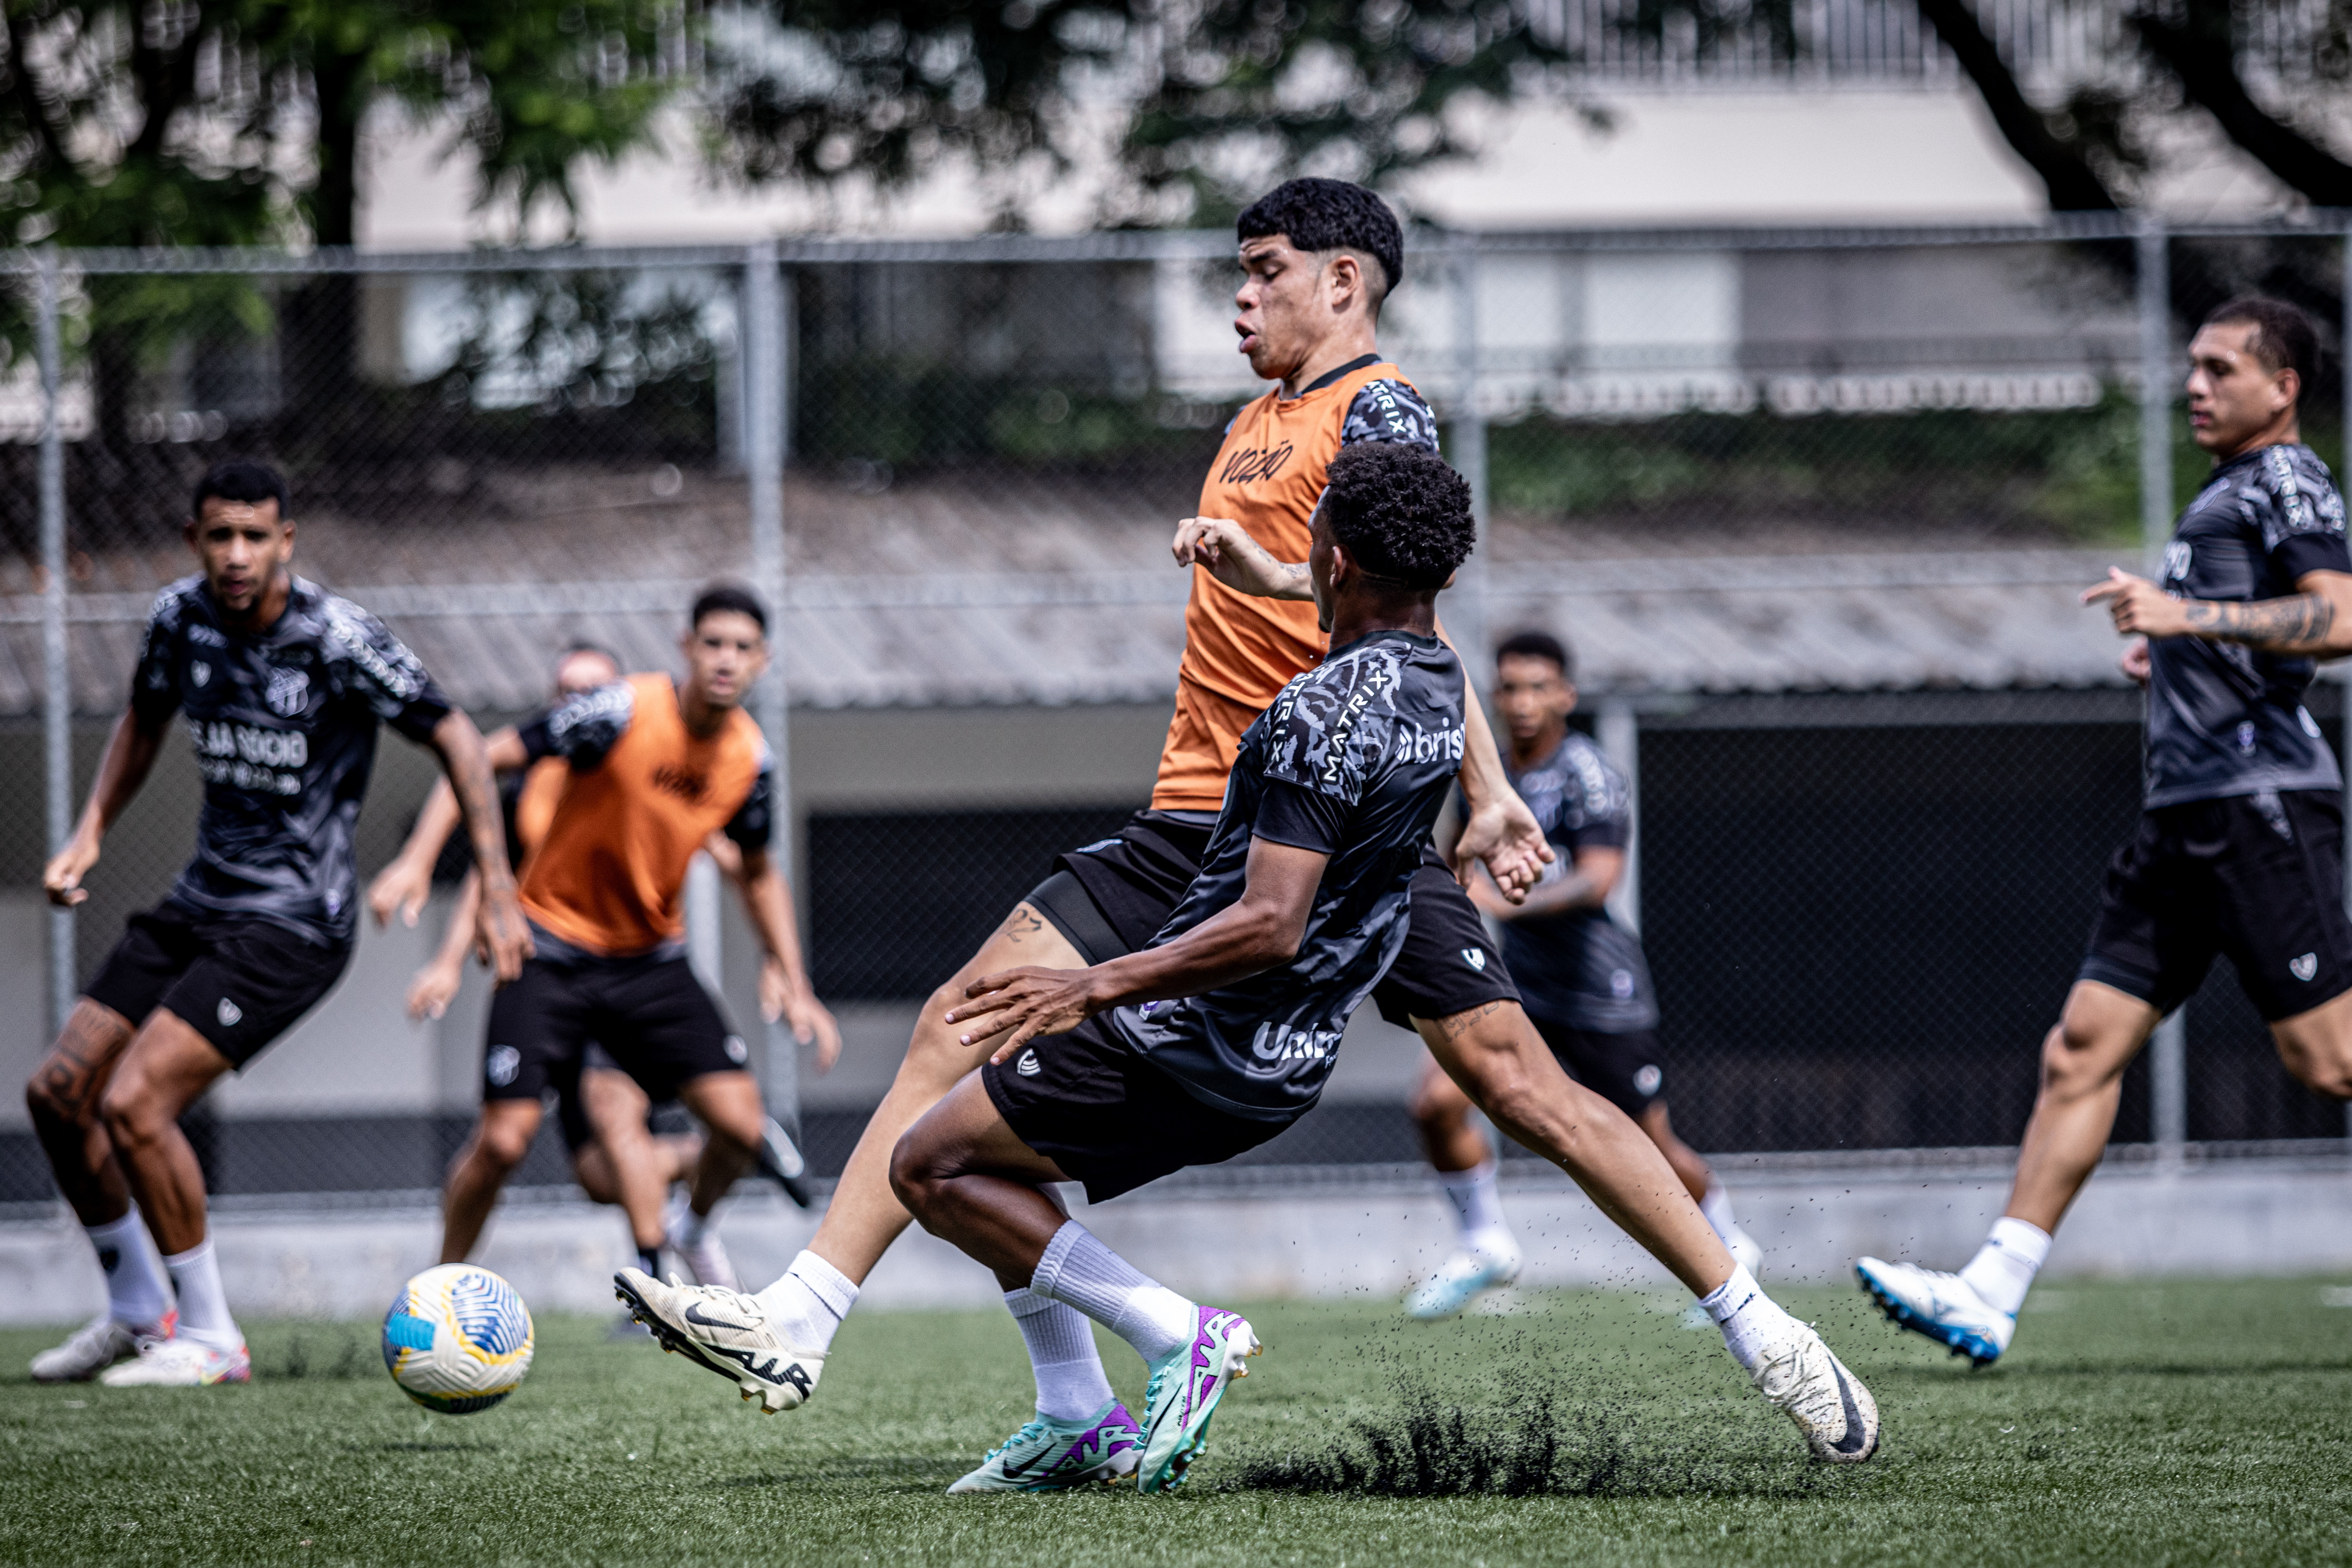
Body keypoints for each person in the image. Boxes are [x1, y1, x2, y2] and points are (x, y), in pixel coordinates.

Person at [619, 445, 1880, 1488]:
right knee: (981, 1087)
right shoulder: (1440, 688)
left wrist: (1094, 982)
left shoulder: (1311, 706)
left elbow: (1269, 922)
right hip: (1296, 1039)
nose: (1244, 295)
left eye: (1260, 270)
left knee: (931, 1153)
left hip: (1198, 1018)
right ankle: (1070, 1403)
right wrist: (1474, 784)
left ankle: (1165, 1335)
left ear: (1333, 553)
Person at [1858, 295, 2352, 1365]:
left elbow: (2342, 614)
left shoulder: (2286, 478)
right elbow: (2256, 633)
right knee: (2080, 1049)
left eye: (2222, 369)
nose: (2196, 385)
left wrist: (2187, 622)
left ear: (2283, 388)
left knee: (2329, 1060)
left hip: (2257, 802)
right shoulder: (2224, 493)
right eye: (2193, 367)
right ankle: (1989, 1292)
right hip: (2182, 818)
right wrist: (2173, 656)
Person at [24, 459, 529, 1386]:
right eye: (220, 536)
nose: (237, 554)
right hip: (200, 901)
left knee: (136, 1103)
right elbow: (142, 721)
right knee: (58, 1094)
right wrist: (90, 833)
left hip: (294, 921)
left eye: (256, 536)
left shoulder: (336, 639)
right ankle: (141, 1310)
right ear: (195, 541)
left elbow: (457, 734)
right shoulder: (179, 620)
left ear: (287, 540)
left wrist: (494, 886)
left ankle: (212, 1337)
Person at [380, 585, 840, 1285]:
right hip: (550, 952)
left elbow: (756, 869)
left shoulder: (751, 759)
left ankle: (689, 1231)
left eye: (743, 649)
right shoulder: (618, 712)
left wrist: (794, 978)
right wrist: (418, 862)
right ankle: (436, 1289)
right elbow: (475, 755)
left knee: (743, 1129)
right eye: (713, 643)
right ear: (686, 647)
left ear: (763, 662)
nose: (726, 660)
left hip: (651, 964)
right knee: (505, 1142)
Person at [1403, 630, 1761, 1318]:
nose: (1522, 701)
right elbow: (1457, 865)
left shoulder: (1586, 771)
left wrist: (1510, 898)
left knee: (1648, 1141)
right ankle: (1484, 1243)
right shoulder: (1486, 773)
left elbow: (1598, 882)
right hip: (1521, 986)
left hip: (1600, 990)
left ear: (1566, 695)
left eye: (1538, 687)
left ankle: (1732, 1242)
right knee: (1434, 1104)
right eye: (1509, 687)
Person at [369, 642, 722, 1288]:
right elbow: (490, 874)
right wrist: (447, 963)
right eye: (567, 690)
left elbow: (705, 818)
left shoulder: (642, 769)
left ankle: (655, 1287)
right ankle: (439, 1286)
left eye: (594, 689)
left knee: (617, 1119)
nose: (579, 702)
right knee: (553, 1162)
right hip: (547, 974)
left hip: (621, 979)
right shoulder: (529, 782)